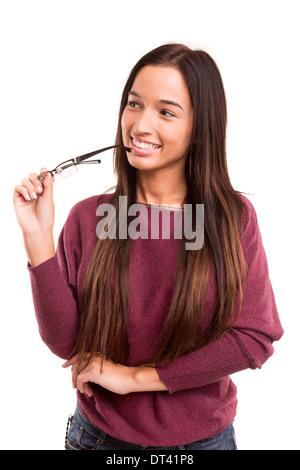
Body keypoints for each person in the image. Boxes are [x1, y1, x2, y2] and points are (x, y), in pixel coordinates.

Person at [13, 43, 283, 451]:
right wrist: (37, 237)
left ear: (199, 127)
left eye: (166, 111)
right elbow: (68, 344)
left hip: (203, 442)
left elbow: (254, 337)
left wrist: (134, 377)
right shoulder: (91, 218)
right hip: (98, 438)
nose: (140, 125)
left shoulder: (231, 220)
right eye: (134, 104)